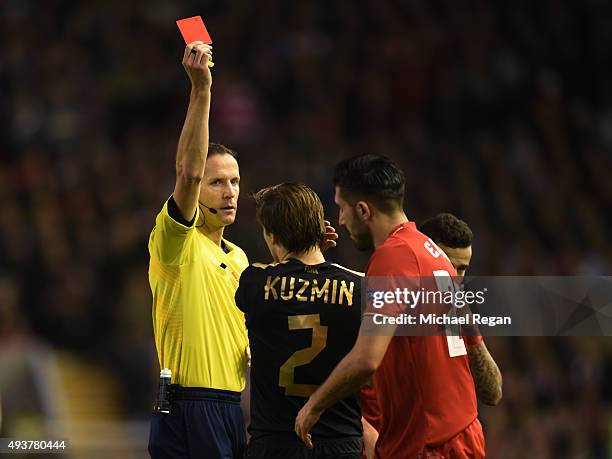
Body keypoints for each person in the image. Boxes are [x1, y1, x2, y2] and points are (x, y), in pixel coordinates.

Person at [295, 154, 486, 459]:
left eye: (342, 209)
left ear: (363, 210)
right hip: (458, 436)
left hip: (428, 444)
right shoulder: (432, 253)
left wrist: (314, 405)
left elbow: (366, 359)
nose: (341, 220)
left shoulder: (392, 258)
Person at [147, 41, 249, 459]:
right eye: (217, 182)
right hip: (188, 404)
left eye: (235, 182)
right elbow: (187, 174)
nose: (229, 193)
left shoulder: (240, 258)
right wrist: (202, 90)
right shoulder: (175, 241)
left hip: (231, 409)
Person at [236, 183, 364, 459]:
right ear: (319, 228)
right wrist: (320, 254)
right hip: (339, 443)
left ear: (272, 236)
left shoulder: (254, 282)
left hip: (273, 445)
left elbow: (287, 278)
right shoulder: (361, 288)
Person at [419, 213, 502, 406]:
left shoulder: (458, 317)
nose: (453, 276)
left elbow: (493, 393)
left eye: (461, 269)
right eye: (446, 264)